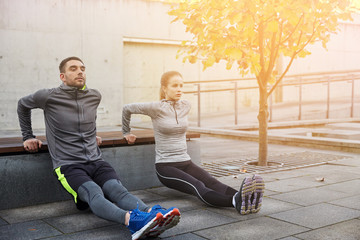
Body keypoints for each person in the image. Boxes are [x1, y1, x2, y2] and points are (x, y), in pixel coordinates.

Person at [17, 57, 180, 240]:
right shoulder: (47, 96)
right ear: (62, 76)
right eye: (73, 69)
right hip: (69, 165)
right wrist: (28, 136)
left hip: (95, 160)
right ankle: (132, 221)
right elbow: (22, 105)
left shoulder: (94, 95)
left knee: (117, 190)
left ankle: (151, 214)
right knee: (94, 192)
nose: (80, 71)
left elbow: (89, 118)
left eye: (82, 68)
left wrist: (90, 133)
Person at [122, 71, 265, 215]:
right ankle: (235, 202)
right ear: (164, 88)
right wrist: (126, 132)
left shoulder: (185, 105)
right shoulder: (155, 108)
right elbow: (127, 108)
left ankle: (245, 198)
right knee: (198, 185)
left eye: (181, 86)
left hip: (185, 162)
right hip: (166, 166)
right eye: (175, 86)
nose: (179, 89)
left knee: (212, 181)